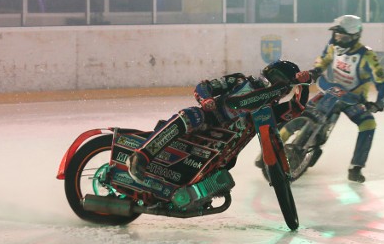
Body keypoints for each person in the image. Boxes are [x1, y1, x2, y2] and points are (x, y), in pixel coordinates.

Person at [127, 60, 308, 182]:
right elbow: (204, 86)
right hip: (209, 122)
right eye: (276, 79)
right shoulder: (240, 80)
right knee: (191, 115)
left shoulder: (267, 111)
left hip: (225, 148)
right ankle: (141, 156)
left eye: (282, 83)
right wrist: (206, 99)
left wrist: (304, 84)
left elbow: (297, 108)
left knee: (227, 166)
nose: (277, 85)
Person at [300, 14, 384, 183]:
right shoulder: (333, 46)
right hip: (331, 91)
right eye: (336, 35)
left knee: (368, 124)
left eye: (343, 37)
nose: (338, 40)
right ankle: (271, 149)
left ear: (354, 37)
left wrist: (379, 104)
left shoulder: (367, 56)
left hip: (353, 100)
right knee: (301, 112)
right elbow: (324, 59)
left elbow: (383, 84)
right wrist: (316, 71)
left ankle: (356, 167)